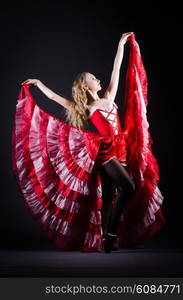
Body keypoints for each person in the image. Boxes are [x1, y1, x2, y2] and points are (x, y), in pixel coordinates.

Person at [12, 33, 166, 253]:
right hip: (104, 152)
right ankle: (110, 235)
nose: (98, 79)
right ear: (85, 86)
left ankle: (102, 238)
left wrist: (121, 45)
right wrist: (38, 84)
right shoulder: (86, 108)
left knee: (110, 196)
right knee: (128, 187)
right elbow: (56, 99)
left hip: (120, 149)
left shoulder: (109, 96)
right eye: (93, 78)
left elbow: (117, 69)